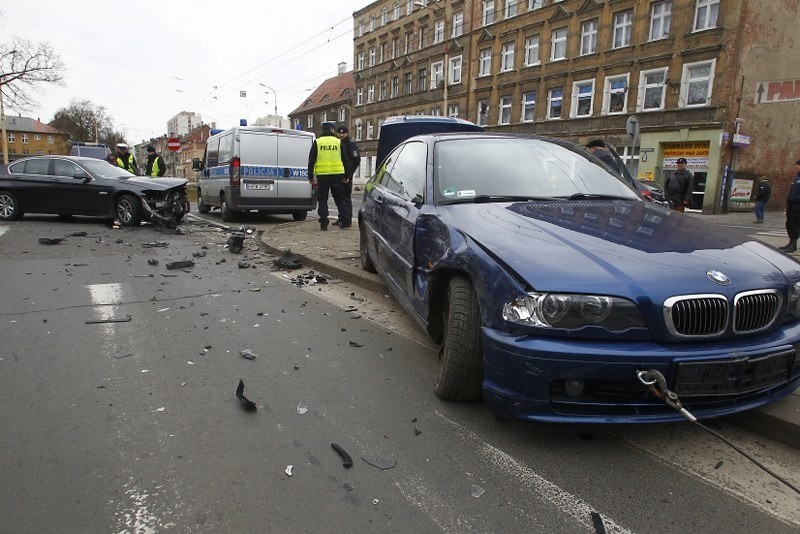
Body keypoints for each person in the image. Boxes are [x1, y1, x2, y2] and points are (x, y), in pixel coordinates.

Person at [308, 122, 347, 231]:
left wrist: (310, 176)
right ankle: (344, 220)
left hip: (322, 176)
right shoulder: (338, 142)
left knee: (322, 200)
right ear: (332, 129)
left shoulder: (318, 142)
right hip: (337, 175)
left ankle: (324, 223)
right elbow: (345, 160)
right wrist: (346, 175)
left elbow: (311, 160)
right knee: (340, 199)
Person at [332, 123, 361, 229]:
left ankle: (347, 220)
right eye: (339, 133)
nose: (341, 135)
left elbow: (356, 160)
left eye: (343, 133)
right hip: (338, 175)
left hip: (346, 177)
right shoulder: (337, 144)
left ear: (347, 133)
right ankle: (341, 217)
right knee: (339, 198)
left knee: (346, 198)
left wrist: (349, 174)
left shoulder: (351, 145)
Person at [780, 159, 800, 252]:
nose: (796, 167)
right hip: (791, 204)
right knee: (789, 223)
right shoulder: (796, 177)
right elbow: (792, 191)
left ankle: (793, 244)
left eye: (798, 165)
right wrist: (788, 203)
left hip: (798, 205)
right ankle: (790, 243)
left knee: (794, 224)